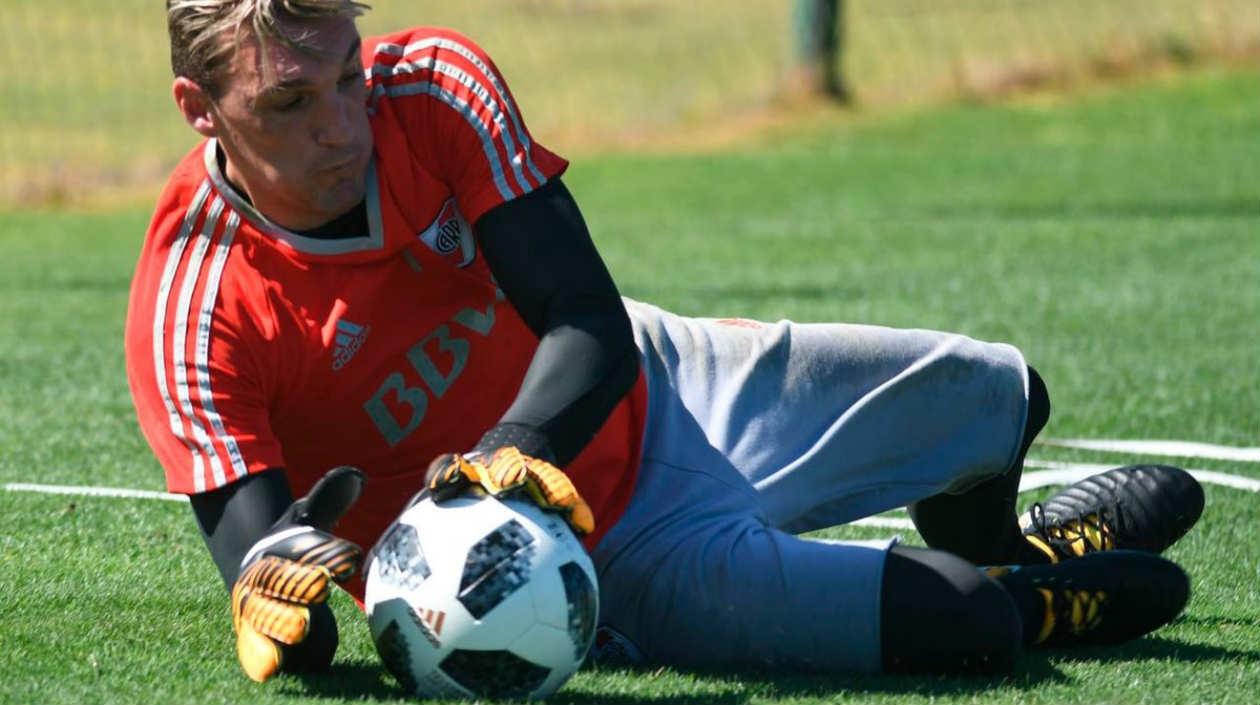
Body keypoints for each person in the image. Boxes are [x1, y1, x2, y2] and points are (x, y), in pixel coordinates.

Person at [126, 0, 1204, 688]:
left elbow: (587, 322)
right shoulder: (191, 307)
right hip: (599, 559)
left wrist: (515, 446)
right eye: (292, 101)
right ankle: (1022, 597)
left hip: (665, 381)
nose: (344, 124)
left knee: (1002, 393)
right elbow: (275, 593)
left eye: (349, 74)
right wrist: (287, 614)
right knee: (969, 630)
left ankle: (1009, 547)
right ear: (200, 107)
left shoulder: (437, 86)